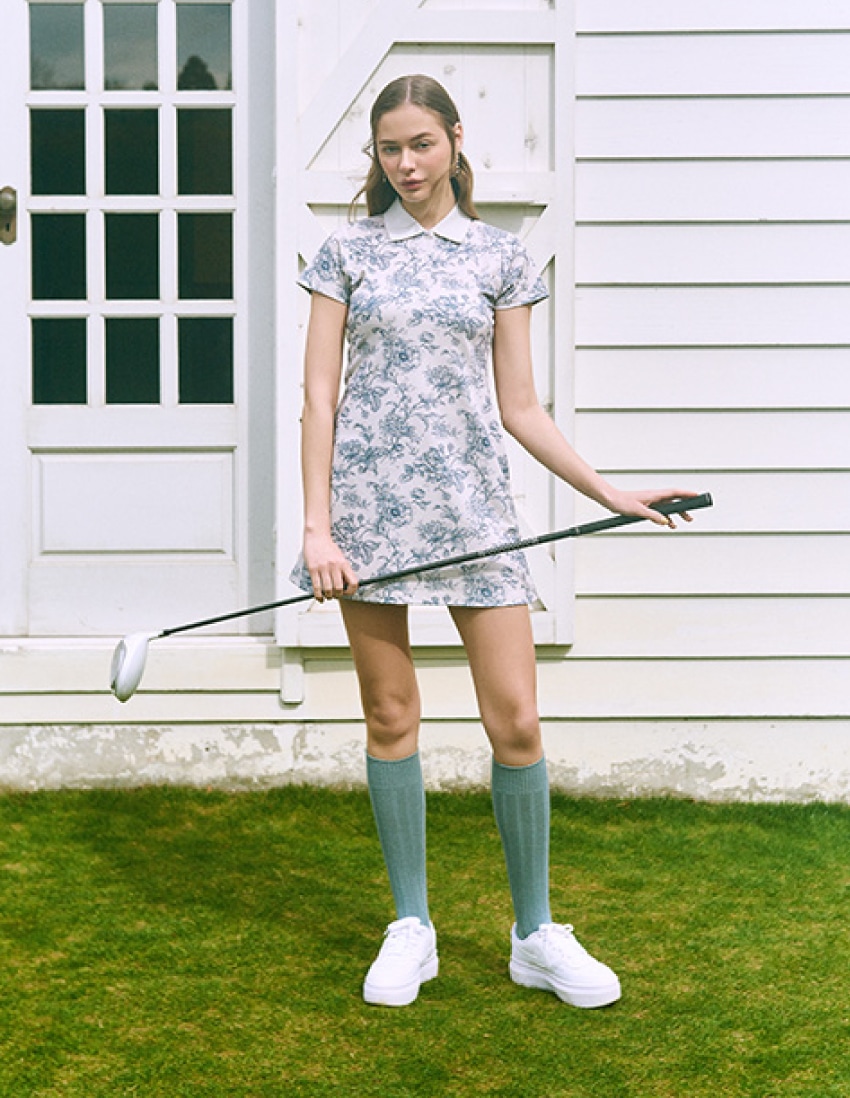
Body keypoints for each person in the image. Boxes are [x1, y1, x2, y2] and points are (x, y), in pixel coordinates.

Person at [292, 73, 697, 1009]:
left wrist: (610, 490)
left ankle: (535, 934)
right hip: (368, 515)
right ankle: (412, 927)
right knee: (391, 717)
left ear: (455, 139)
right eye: (390, 149)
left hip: (475, 511)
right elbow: (318, 398)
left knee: (515, 721)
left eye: (421, 145)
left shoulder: (500, 258)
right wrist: (317, 529)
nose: (406, 164)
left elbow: (522, 407)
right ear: (376, 156)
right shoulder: (346, 253)